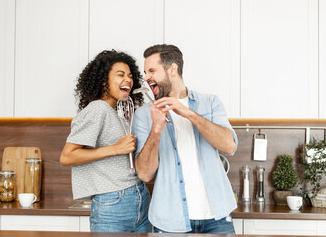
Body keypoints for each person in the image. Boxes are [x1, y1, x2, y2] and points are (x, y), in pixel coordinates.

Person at [132, 44, 238, 234]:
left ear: (172, 69)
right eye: (145, 72)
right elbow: (145, 174)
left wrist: (190, 114)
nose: (147, 77)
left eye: (152, 70)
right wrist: (156, 128)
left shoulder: (210, 102)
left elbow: (229, 145)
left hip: (217, 218)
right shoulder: (144, 114)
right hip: (170, 221)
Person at [60, 50, 151, 233]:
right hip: (113, 201)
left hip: (139, 195)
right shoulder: (98, 108)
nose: (128, 79)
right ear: (103, 81)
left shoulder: (118, 112)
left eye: (130, 76)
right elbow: (67, 156)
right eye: (120, 75)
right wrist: (116, 149)